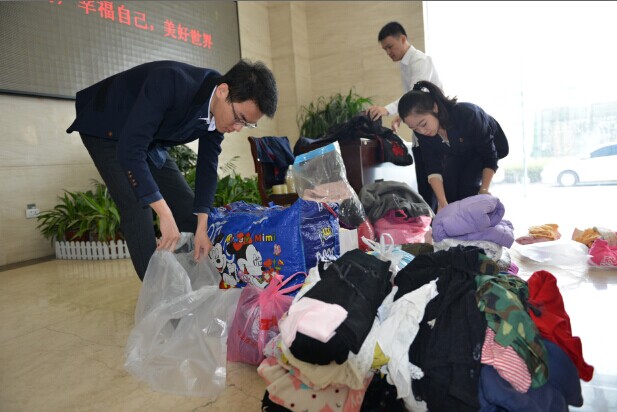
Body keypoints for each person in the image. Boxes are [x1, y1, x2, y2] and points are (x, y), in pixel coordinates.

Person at [66, 59, 278, 280]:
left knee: (187, 206)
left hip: (148, 140)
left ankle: (195, 284)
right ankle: (157, 292)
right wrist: (164, 214)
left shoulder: (218, 111)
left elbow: (207, 167)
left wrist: (202, 226)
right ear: (223, 91)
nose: (238, 128)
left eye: (246, 124)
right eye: (239, 118)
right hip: (107, 128)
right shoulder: (171, 82)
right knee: (138, 206)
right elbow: (130, 151)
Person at [398, 80, 508, 212]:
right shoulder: (422, 133)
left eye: (423, 124)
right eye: (415, 128)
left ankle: (479, 218)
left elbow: (489, 155)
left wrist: (484, 190)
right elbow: (432, 166)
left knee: (468, 186)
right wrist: (443, 203)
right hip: (459, 150)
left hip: (487, 147)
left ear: (435, 108)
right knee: (450, 189)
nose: (421, 131)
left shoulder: (468, 114)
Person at [366, 21, 443, 211]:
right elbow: (412, 99)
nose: (388, 52)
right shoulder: (405, 64)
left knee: (433, 186)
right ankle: (432, 224)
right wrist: (401, 116)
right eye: (385, 49)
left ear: (402, 39)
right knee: (425, 187)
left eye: (390, 46)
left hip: (433, 133)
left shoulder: (419, 60)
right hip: (422, 135)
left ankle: (437, 224)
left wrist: (386, 110)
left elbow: (414, 97)